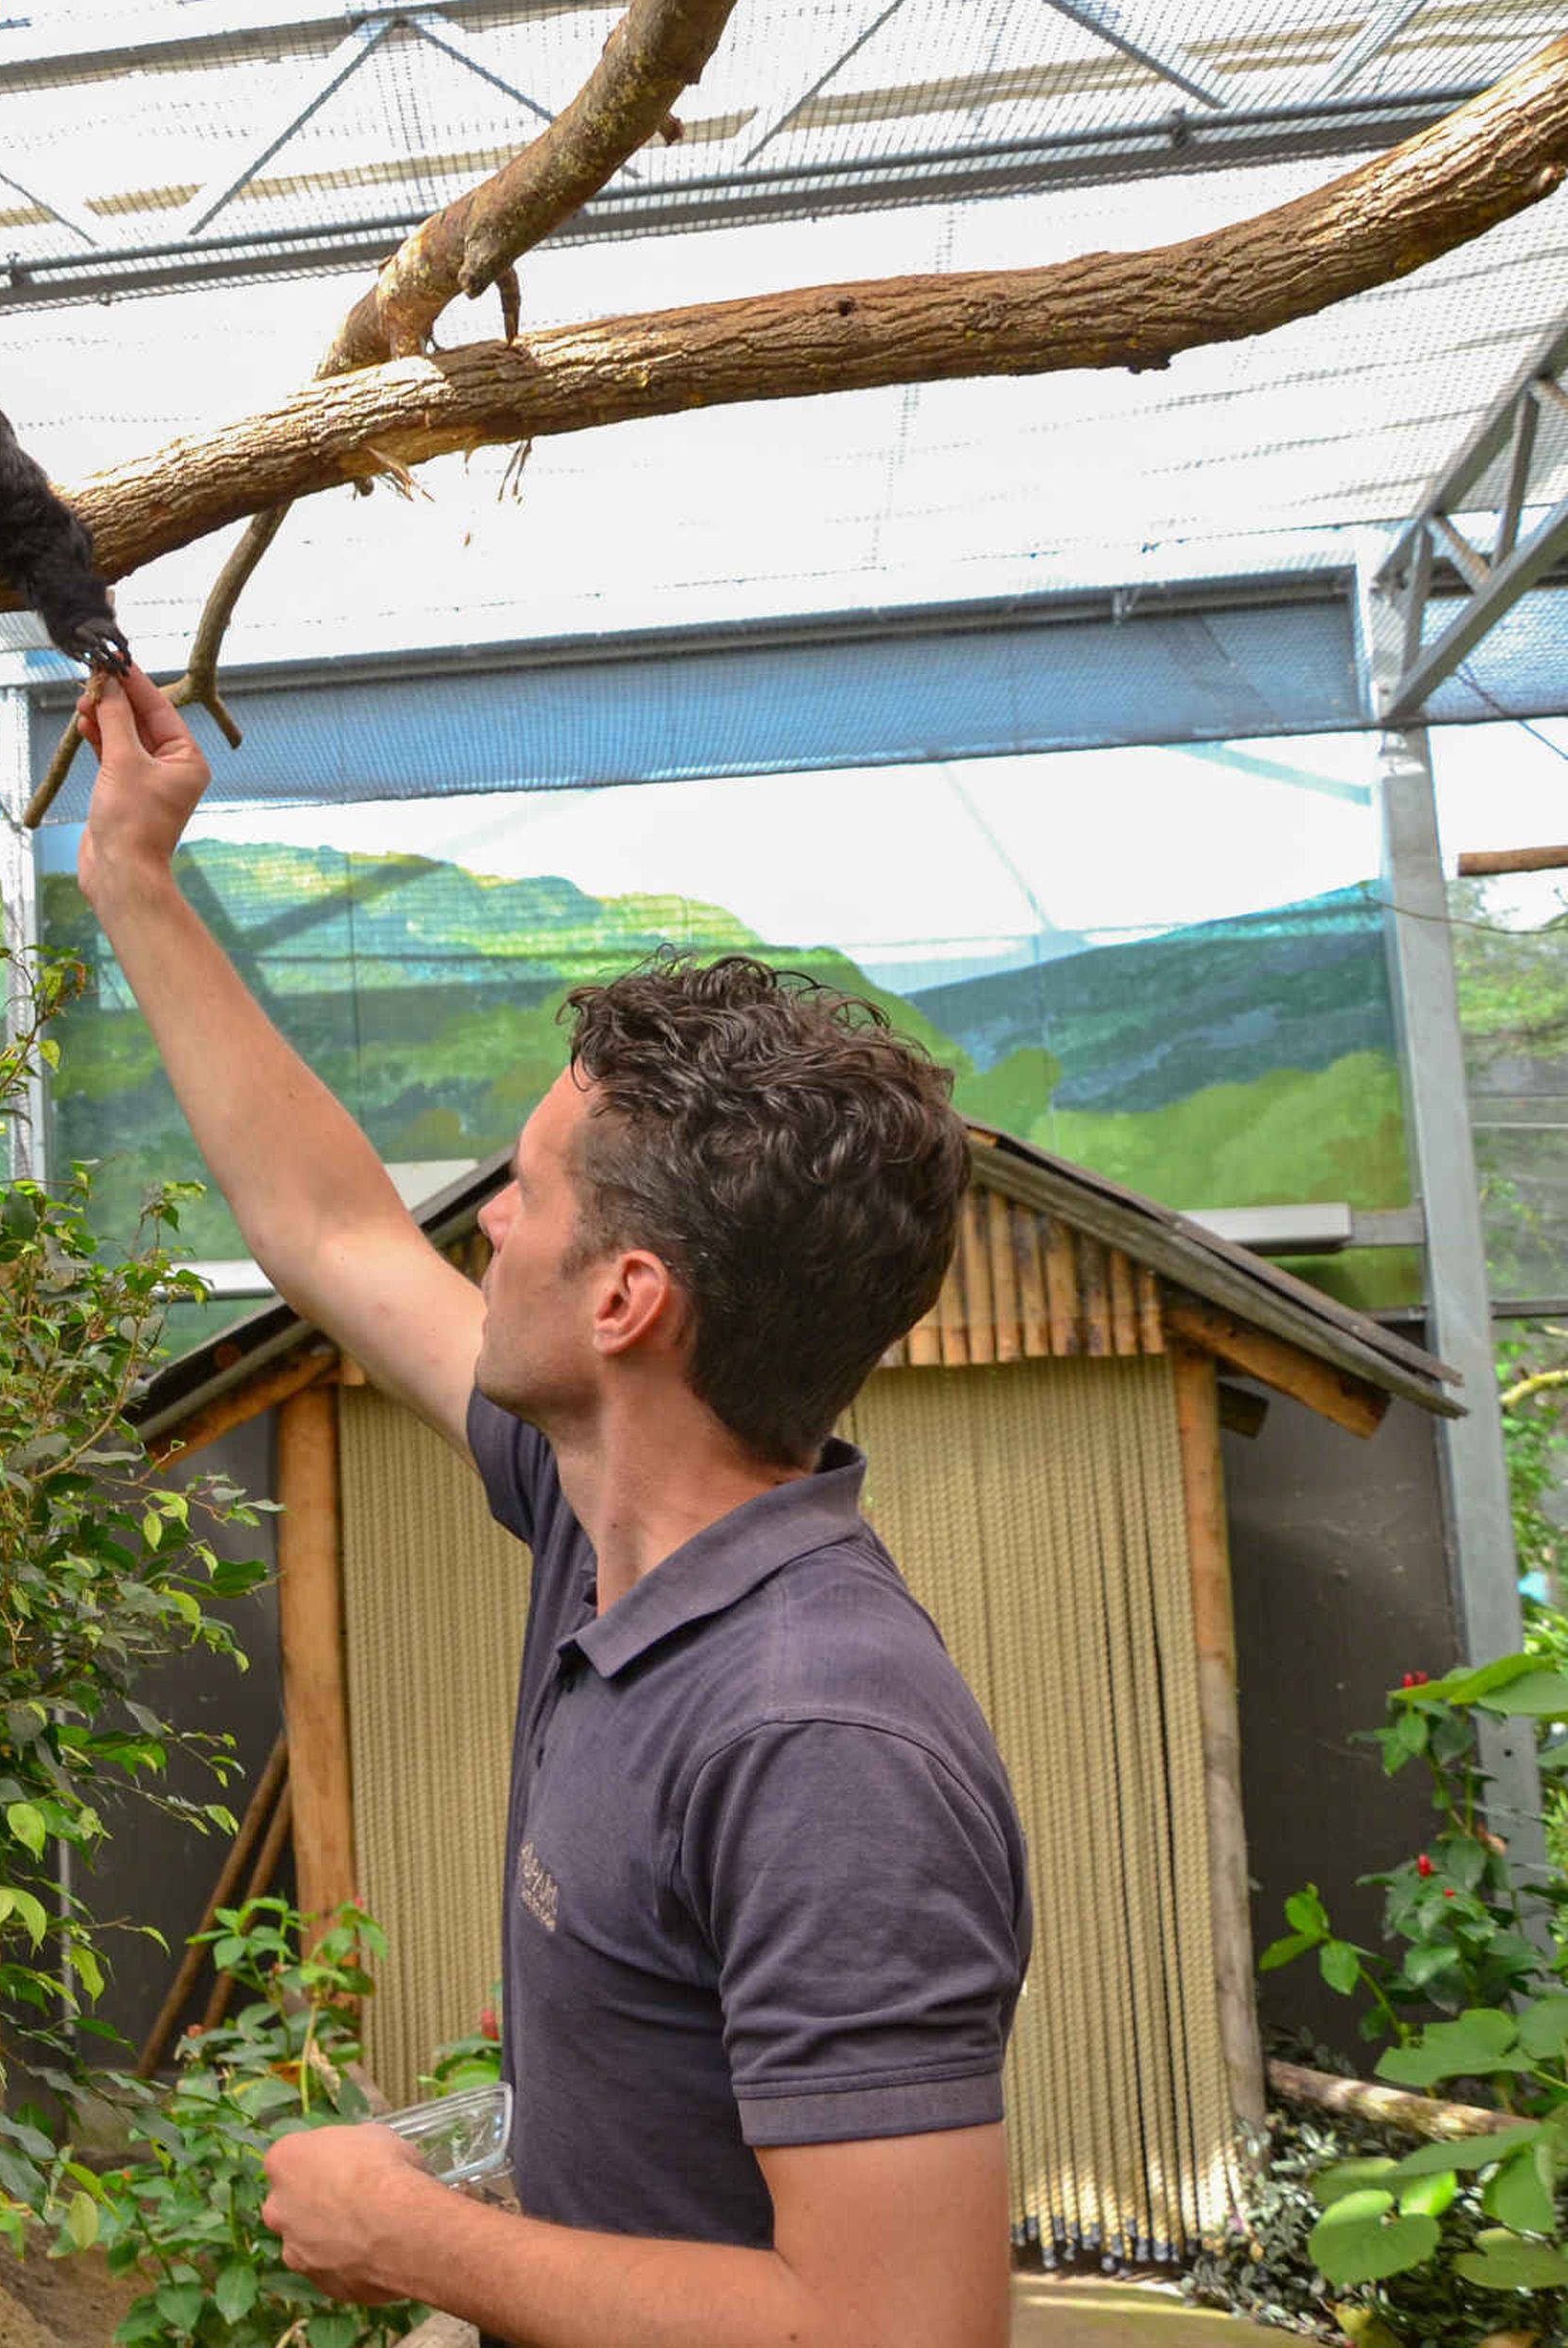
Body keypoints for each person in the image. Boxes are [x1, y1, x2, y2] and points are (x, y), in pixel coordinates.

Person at [69, 666, 1033, 2348]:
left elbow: (903, 2334)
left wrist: (420, 2241)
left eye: (526, 1190)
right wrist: (134, 886)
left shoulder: (819, 1742)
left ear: (625, 1303)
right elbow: (335, 1231)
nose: (489, 1225)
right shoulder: (608, 1525)